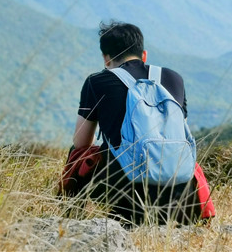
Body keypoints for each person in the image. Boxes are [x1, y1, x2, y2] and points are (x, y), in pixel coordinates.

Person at [71, 21, 199, 226]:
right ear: (144, 55)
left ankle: (70, 218)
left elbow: (81, 142)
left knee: (77, 154)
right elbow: (180, 131)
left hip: (125, 188)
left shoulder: (97, 82)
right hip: (181, 188)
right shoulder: (174, 78)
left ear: (106, 58)